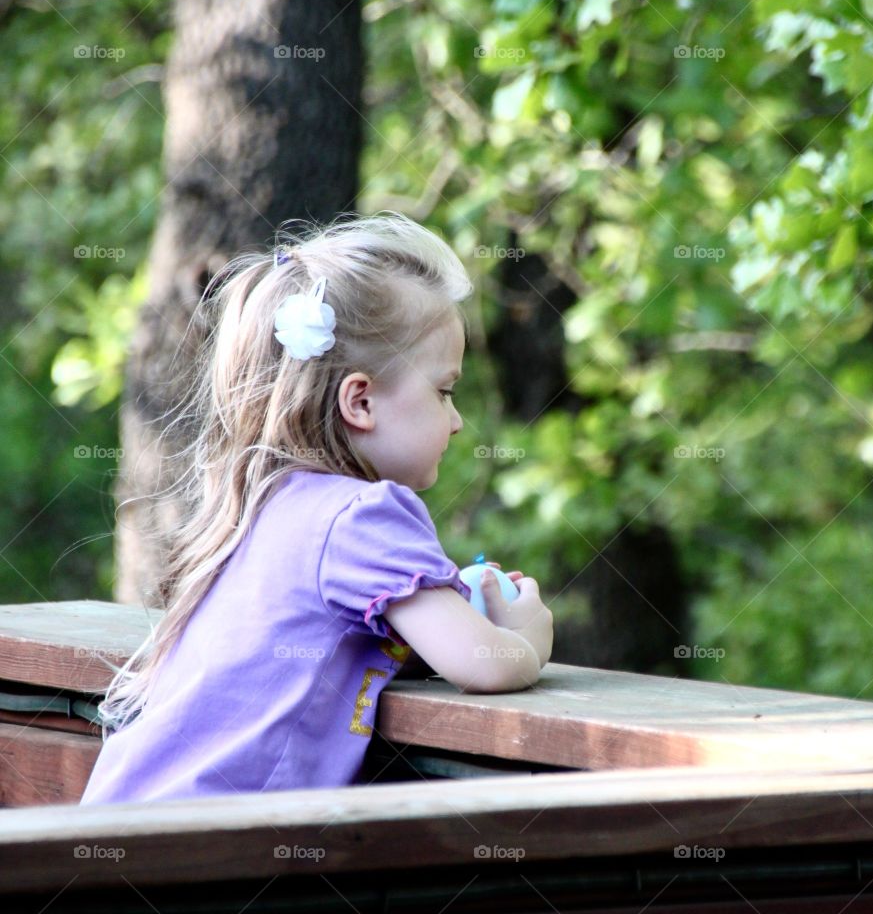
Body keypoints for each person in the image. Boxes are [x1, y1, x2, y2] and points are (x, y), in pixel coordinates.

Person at [80, 213, 553, 805]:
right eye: (444, 391)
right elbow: (481, 665)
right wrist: (528, 639)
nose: (457, 422)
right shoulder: (363, 515)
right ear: (360, 400)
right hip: (199, 850)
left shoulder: (266, 502)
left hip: (126, 826)